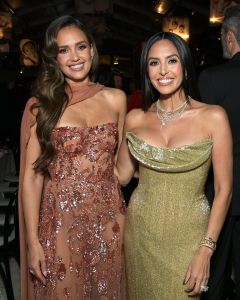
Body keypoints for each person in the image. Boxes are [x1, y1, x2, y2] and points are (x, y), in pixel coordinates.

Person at [115, 31, 233, 299]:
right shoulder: (135, 118)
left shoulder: (213, 117)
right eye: (154, 63)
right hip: (140, 233)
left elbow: (224, 190)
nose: (163, 71)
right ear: (146, 71)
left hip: (189, 236)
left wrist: (206, 249)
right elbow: (121, 176)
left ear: (186, 67)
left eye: (172, 61)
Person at [19, 15, 127, 300]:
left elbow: (119, 168)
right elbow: (32, 177)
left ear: (92, 49)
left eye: (80, 46)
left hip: (110, 222)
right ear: (55, 59)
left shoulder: (117, 99)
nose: (75, 57)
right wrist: (33, 241)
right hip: (59, 223)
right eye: (64, 50)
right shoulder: (41, 107)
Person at [198, 5, 240, 300]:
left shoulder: (213, 78)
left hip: (223, 190)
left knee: (214, 273)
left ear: (229, 37)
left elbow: (201, 141)